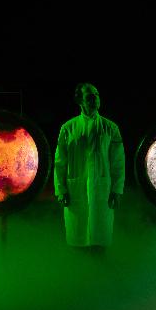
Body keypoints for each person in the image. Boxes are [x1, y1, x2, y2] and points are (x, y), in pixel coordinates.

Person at [54, 83, 126, 253]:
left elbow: (118, 162)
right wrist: (61, 190)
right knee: (77, 238)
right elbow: (60, 162)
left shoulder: (110, 128)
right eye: (90, 96)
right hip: (75, 189)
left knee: (100, 236)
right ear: (80, 100)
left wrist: (117, 190)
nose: (95, 99)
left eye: (97, 95)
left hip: (102, 188)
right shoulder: (68, 128)